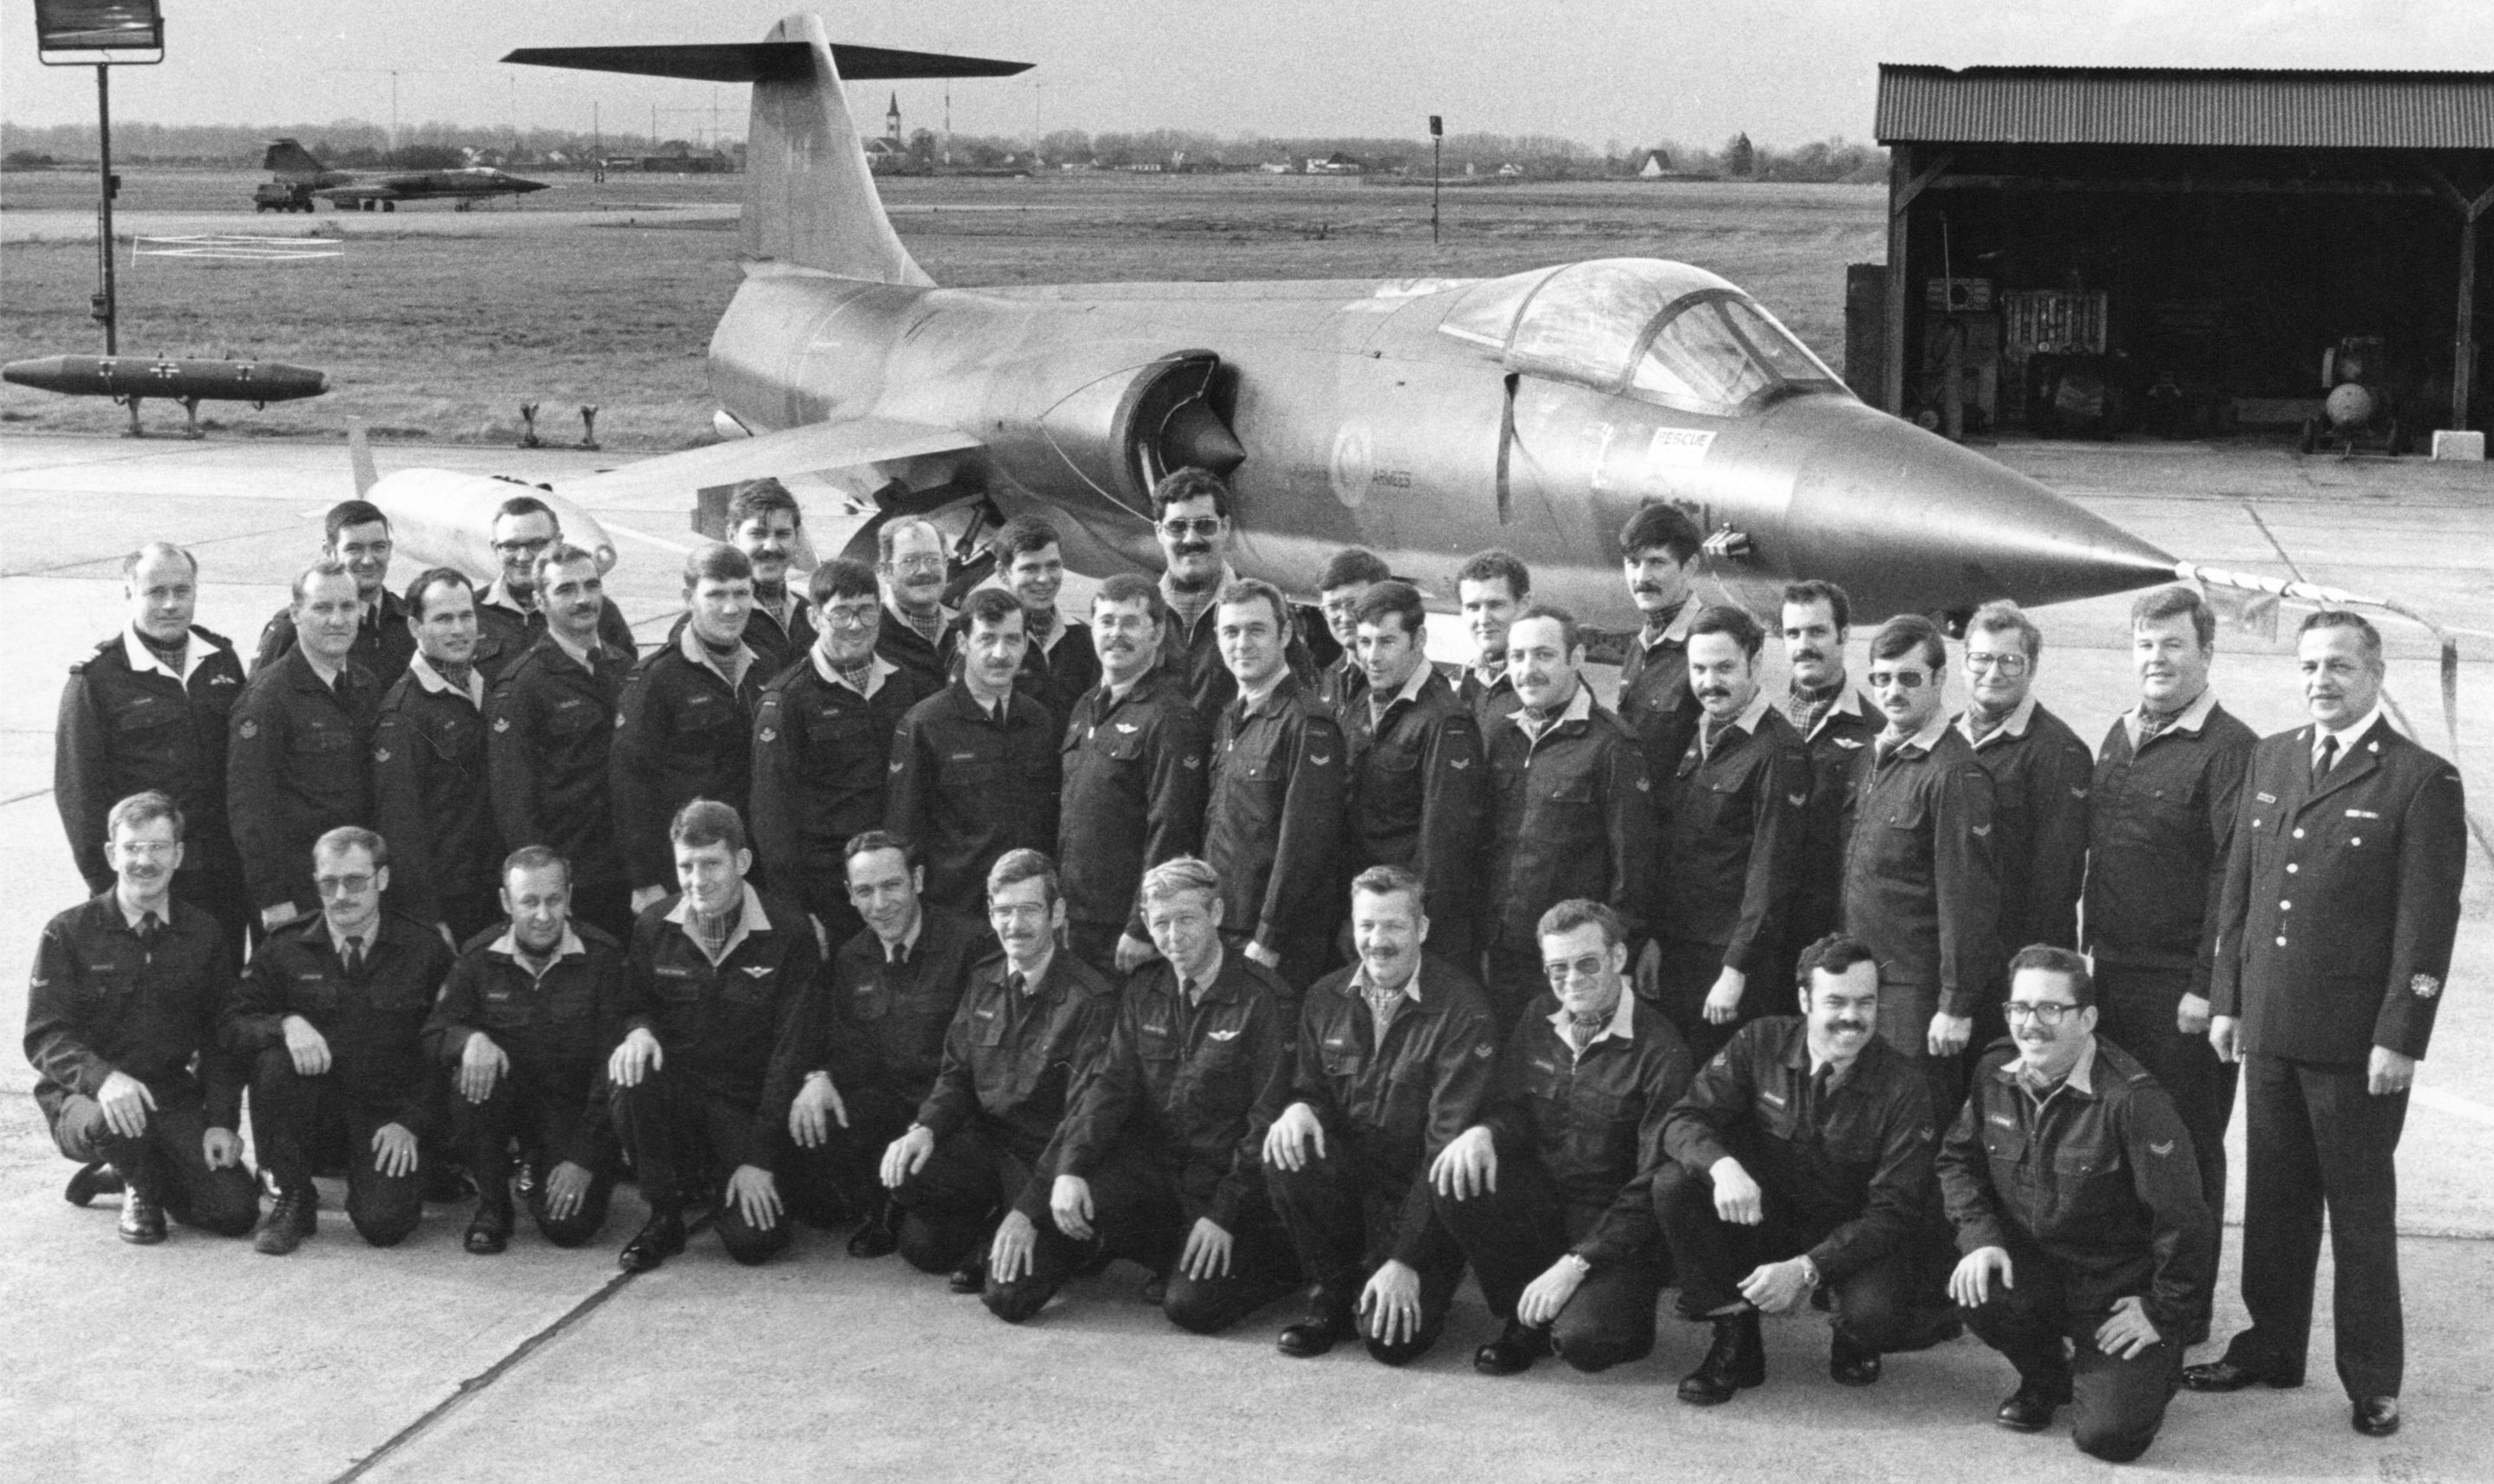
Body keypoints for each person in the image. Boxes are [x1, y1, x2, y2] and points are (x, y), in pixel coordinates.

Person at [2187, 610, 2467, 1439]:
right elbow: (2240, 887)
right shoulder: (2273, 757)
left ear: (2375, 675)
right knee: (2275, 1204)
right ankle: (2272, 1346)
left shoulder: (2419, 780)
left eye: (2340, 666)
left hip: (2355, 1045)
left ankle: (2373, 1380)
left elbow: (2426, 924)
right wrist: (2228, 997)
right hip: (2272, 1026)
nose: (2322, 680)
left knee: (2359, 1215)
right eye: (2310, 665)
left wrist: (2401, 1035)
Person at [991, 857, 1299, 1332]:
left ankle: (1278, 1268)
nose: (1173, 937)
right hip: (1155, 1179)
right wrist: (1066, 1173)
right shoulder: (1143, 988)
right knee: (1008, 1295)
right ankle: (1164, 1253)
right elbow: (1107, 1090)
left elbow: (1266, 1120)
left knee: (1191, 1308)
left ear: (1216, 913)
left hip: (1227, 1185)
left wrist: (1224, 1214)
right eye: (1161, 923)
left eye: (1186, 919)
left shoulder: (1264, 998)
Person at [1942, 945, 2213, 1463]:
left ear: (2087, 1019)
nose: (2030, 1024)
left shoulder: (2133, 1100)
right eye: (2019, 1008)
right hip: (2038, 1272)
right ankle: (2048, 1376)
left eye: (2050, 1009)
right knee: (1975, 1286)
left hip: (2114, 1291)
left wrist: (2162, 1311)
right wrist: (1980, 1240)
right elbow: (1957, 1161)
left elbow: (2184, 1218)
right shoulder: (1995, 1072)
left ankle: (2154, 1367)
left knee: (2109, 1438)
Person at [1654, 933, 1942, 1404]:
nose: (1852, 1017)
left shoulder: (1904, 1084)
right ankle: (1735, 1335)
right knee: (1675, 1187)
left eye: (1865, 1002)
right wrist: (1722, 1166)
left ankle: (1851, 1334)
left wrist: (1809, 1268)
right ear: (1805, 1000)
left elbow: (1895, 1210)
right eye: (1836, 1002)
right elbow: (1683, 1120)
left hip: (1851, 1233)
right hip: (1767, 1216)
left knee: (1876, 1317)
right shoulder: (1760, 1041)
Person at [2084, 584, 2255, 1331]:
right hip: (2113, 976)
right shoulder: (2121, 734)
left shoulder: (2230, 749)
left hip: (2179, 992)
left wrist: (2206, 988)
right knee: (2124, 1142)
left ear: (2206, 653)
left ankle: (2185, 1313)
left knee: (2185, 1151)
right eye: (2146, 645)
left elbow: (2232, 876)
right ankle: (2133, 1291)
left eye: (2173, 644)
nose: (2157, 658)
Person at [1432, 899, 1691, 1377]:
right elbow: (1513, 1107)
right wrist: (1484, 1132)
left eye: (1587, 963)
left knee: (1587, 1343)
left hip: (1616, 1224)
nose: (1572, 980)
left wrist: (1578, 1263)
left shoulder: (1660, 1047)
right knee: (1456, 1174)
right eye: (1558, 968)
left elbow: (1654, 1180)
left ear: (1618, 957)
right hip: (1546, 1205)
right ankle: (1524, 1318)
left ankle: (1585, 1308)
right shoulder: (1539, 1016)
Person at [1263, 867, 1498, 1365]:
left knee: (1389, 1346)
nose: (1377, 941)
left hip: (1421, 1198)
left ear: (1422, 928)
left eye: (1393, 926)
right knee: (1287, 1145)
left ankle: (1398, 1276)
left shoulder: (1462, 1007)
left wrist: (1405, 1258)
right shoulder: (1324, 996)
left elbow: (1445, 1146)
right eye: (1366, 925)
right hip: (1351, 1188)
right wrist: (1299, 1107)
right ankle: (1329, 1296)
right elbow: (1311, 1088)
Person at [878, 849, 1117, 1294]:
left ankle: (1028, 1234)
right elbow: (956, 1075)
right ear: (990, 914)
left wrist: (1027, 1210)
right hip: (990, 1149)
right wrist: (924, 1128)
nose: (1015, 924)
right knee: (918, 1226)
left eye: (1030, 910)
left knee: (1008, 1297)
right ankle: (989, 1225)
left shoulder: (1090, 998)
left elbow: (1081, 1120)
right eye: (1004, 911)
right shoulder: (985, 979)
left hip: (1047, 1159)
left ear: (1057, 913)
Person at [24, 791, 258, 1243]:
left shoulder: (203, 933)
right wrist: (103, 1079)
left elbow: (220, 1036)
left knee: (235, 1212)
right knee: (114, 1121)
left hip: (166, 1094)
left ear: (178, 855)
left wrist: (221, 1121)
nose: (144, 861)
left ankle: (121, 1170)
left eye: (157, 847)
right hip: (84, 1099)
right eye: (132, 848)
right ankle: (140, 1186)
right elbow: (44, 1035)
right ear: (112, 854)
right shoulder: (69, 932)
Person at [608, 800, 827, 1271]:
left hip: (745, 1105)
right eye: (685, 866)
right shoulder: (653, 925)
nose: (697, 880)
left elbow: (792, 1051)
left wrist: (759, 1158)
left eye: (711, 864)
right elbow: (633, 1005)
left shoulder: (789, 931)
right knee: (633, 1069)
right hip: (680, 1097)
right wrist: (639, 1031)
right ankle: (664, 1214)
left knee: (755, 1244)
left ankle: (723, 1178)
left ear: (742, 861)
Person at [224, 826, 456, 1255]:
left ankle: (412, 1170)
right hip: (312, 1112)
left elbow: (445, 1044)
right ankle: (294, 1196)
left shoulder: (424, 949)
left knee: (384, 1225)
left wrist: (411, 1122)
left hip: (384, 1114)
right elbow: (235, 1022)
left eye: (355, 881)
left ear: (382, 879)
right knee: (273, 1059)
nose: (341, 895)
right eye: (329, 883)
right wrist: (286, 1024)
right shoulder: (285, 947)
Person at [774, 831, 989, 1259]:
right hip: (893, 1109)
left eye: (891, 886)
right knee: (812, 1123)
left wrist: (929, 1125)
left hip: (956, 1117)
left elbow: (977, 1064)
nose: (879, 904)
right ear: (849, 895)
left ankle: (967, 1209)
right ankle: (885, 1200)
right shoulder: (853, 956)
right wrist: (819, 1077)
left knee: (927, 1252)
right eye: (865, 891)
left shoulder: (971, 943)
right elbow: (847, 1048)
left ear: (918, 880)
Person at [423, 845, 630, 1254]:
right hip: (508, 1104)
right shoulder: (479, 956)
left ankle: (543, 1166)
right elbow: (435, 1032)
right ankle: (493, 1205)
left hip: (572, 1113)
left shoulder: (603, 958)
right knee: (468, 1078)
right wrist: (469, 1040)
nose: (543, 915)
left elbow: (613, 1067)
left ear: (570, 896)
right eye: (529, 902)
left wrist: (583, 1158)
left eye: (554, 900)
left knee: (568, 1229)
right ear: (506, 901)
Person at [55, 542, 250, 958]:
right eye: (156, 592)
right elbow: (79, 796)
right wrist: (108, 891)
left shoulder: (221, 660)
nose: (170, 604)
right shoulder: (96, 680)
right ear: (129, 593)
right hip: (147, 881)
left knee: (223, 987)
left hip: (222, 879)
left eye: (182, 591)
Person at [1841, 613, 2000, 1116]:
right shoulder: (1874, 755)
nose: (1893, 692)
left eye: (1909, 678)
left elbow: (1967, 900)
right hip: (1862, 981)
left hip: (1914, 995)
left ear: (1939, 679)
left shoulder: (1953, 773)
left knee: (1916, 1120)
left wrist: (1954, 1004)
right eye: (1882, 678)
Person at [750, 558, 942, 952]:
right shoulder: (786, 700)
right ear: (814, 618)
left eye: (866, 611)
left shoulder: (905, 685)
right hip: (829, 892)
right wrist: (795, 910)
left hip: (899, 884)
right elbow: (772, 814)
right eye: (840, 613)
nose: (855, 625)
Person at [1645, 604, 1810, 1063]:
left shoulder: (1778, 752)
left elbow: (1771, 874)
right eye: (1698, 669)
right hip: (1678, 952)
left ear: (1755, 663)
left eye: (1724, 668)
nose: (1708, 682)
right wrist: (1655, 938)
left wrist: (1736, 970)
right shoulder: (1698, 732)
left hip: (1727, 965)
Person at [1480, 603, 1656, 1029]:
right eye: (1517, 656)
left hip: (1568, 964)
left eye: (1543, 655)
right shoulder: (1499, 733)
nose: (1527, 670)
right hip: (1494, 949)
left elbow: (1632, 864)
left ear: (1576, 658)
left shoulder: (1612, 745)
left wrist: (1621, 959)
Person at [1954, 603, 2092, 1074]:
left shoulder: (2059, 751)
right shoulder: (1947, 738)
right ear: (1963, 663)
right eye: (1981, 659)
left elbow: (2056, 884)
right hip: (1953, 963)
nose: (1993, 672)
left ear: (2031, 668)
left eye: (2010, 661)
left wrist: (2030, 992)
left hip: (2010, 974)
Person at [1055, 574, 1209, 975]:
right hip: (1075, 918)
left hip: (1124, 927)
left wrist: (1143, 925)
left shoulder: (1170, 717)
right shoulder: (1085, 707)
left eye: (1130, 622)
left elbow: (1172, 826)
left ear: (1156, 633)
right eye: (1106, 622)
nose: (1115, 634)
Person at [484, 543, 636, 942]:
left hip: (633, 870)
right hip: (573, 881)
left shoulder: (624, 668)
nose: (584, 599)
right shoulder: (522, 685)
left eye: (591, 585)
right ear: (540, 601)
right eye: (566, 589)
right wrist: (546, 891)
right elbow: (514, 803)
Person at [1202, 578, 1347, 993]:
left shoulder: (1307, 723)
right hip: (1222, 924)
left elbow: (1305, 843)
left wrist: (1269, 936)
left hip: (1270, 941)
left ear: (1285, 634)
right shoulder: (1231, 717)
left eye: (1256, 630)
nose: (1242, 643)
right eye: (1231, 631)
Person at [228, 559, 384, 938]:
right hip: (300, 891)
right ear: (296, 614)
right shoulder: (267, 698)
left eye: (347, 607)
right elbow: (250, 805)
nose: (337, 620)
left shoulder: (365, 686)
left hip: (358, 884)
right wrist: (273, 897)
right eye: (322, 608)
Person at [885, 588, 1062, 914]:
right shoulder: (925, 724)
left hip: (1026, 909)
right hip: (956, 912)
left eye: (1012, 639)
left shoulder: (1039, 721)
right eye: (987, 639)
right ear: (963, 643)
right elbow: (904, 833)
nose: (1000, 653)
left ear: (1026, 644)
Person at [614, 543, 766, 914]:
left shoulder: (766, 668)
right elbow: (630, 782)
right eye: (716, 594)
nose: (731, 608)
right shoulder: (655, 680)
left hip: (752, 863)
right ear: (688, 599)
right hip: (686, 872)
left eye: (741, 593)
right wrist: (644, 879)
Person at [1341, 580, 1487, 962]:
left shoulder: (1445, 721)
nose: (1372, 657)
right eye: (1364, 642)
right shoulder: (1364, 700)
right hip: (1361, 912)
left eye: (1387, 642)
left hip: (1403, 927)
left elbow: (1444, 844)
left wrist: (1417, 933)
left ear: (1418, 639)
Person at [372, 567, 501, 946]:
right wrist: (428, 917)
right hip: (451, 901)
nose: (459, 629)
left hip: (495, 889)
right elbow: (400, 825)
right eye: (444, 619)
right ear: (415, 626)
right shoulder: (404, 713)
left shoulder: (486, 688)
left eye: (466, 616)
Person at [1148, 468, 1312, 716]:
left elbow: (1299, 702)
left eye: (1205, 525)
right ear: (1159, 531)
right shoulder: (1142, 611)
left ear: (1225, 527)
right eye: (1177, 527)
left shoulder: (1264, 607)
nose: (1191, 539)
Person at [1778, 580, 1877, 964]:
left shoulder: (1874, 731)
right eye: (1793, 633)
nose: (1804, 645)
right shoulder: (1765, 723)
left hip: (1831, 935)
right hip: (1767, 932)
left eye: (1817, 631)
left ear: (1844, 634)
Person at [472, 494, 636, 679]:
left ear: (558, 541)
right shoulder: (470, 613)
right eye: (511, 546)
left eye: (537, 544)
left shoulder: (596, 610)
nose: (523, 557)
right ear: (495, 548)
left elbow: (627, 678)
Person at [251, 499, 415, 681]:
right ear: (329, 552)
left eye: (378, 547)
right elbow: (256, 693)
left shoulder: (412, 622)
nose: (368, 560)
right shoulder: (294, 628)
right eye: (354, 549)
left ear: (389, 549)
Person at [1613, 504, 1707, 789]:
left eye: (1657, 562)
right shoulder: (1642, 643)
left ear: (1689, 567)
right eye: (1633, 562)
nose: (1642, 578)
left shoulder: (1708, 644)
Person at [990, 513, 1098, 727]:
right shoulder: (983, 641)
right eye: (1030, 568)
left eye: (1053, 566)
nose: (1044, 578)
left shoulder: (1086, 639)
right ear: (1002, 573)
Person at [721, 478, 816, 676]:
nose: (771, 546)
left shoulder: (809, 614)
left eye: (782, 534)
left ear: (797, 537)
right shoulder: (716, 617)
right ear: (732, 536)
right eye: (757, 534)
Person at [1446, 548, 1530, 732]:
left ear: (1524, 605)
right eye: (1473, 607)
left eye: (1495, 605)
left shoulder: (1548, 683)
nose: (1483, 619)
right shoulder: (1466, 683)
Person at [874, 516, 956, 690]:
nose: (924, 570)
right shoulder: (868, 635)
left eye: (933, 559)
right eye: (909, 561)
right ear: (886, 570)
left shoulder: (967, 629)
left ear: (946, 564)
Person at [1314, 547, 1391, 711]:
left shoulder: (1403, 680)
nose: (1345, 618)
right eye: (1333, 606)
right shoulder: (1334, 675)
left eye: (1354, 604)